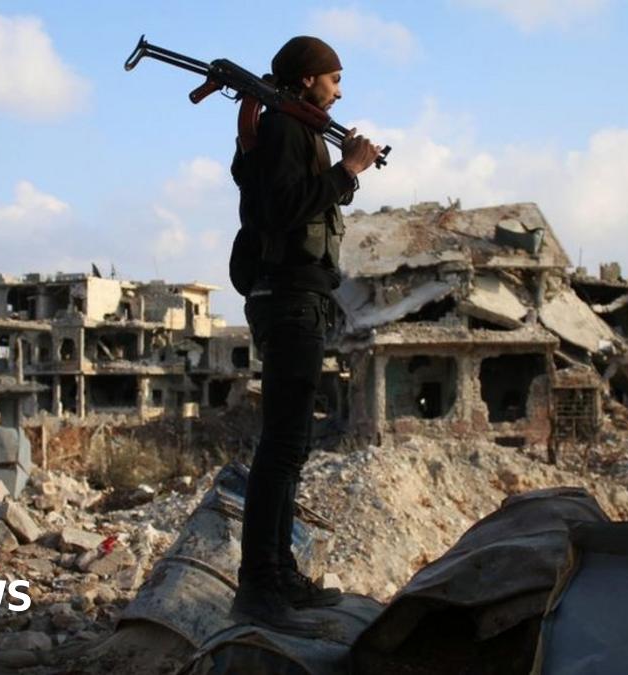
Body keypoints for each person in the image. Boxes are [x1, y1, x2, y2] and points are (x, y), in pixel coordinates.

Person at [231, 35, 383, 635]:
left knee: (291, 445)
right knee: (281, 445)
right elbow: (280, 208)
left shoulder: (292, 129)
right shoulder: (287, 130)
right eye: (333, 78)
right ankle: (258, 585)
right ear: (306, 80)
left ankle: (280, 573)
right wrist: (348, 169)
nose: (340, 90)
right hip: (288, 298)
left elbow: (266, 185)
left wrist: (339, 165)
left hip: (300, 300)